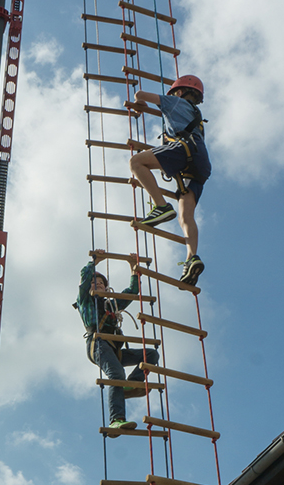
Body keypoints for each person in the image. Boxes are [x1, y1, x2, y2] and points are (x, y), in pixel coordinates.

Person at [126, 75, 212, 286]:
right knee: (186, 215)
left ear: (179, 92)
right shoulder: (196, 115)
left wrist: (140, 103)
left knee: (136, 162)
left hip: (184, 149)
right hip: (201, 162)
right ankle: (191, 257)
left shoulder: (174, 101)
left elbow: (140, 94)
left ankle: (161, 206)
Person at [75, 250, 159, 436]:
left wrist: (133, 268)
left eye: (102, 284)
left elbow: (132, 292)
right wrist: (95, 261)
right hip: (98, 343)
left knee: (151, 354)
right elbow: (84, 279)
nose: (98, 285)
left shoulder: (112, 305)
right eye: (95, 283)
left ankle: (130, 385)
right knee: (116, 373)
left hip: (115, 348)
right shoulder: (85, 300)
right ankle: (116, 419)